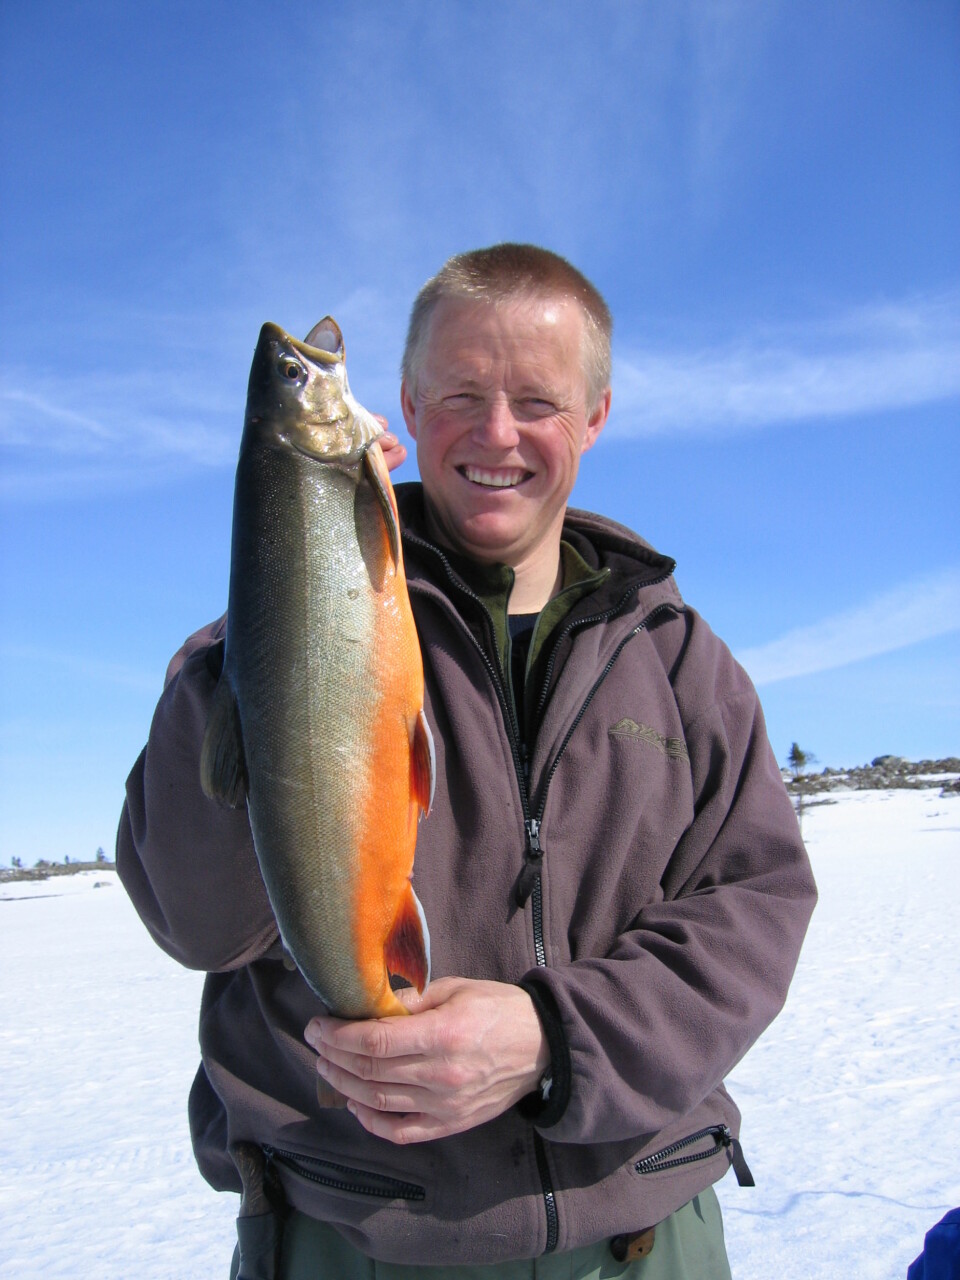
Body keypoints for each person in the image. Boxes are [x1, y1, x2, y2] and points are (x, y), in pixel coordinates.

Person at [117, 243, 817, 1279]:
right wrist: (276, 600)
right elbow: (199, 921)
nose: (498, 433)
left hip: (644, 1231)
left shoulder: (681, 663)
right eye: (460, 394)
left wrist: (553, 1036)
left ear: (595, 416)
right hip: (352, 1232)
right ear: (406, 402)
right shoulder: (257, 651)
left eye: (537, 399)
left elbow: (750, 915)